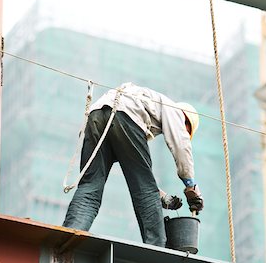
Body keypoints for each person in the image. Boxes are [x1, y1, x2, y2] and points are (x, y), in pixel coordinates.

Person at [63, 82, 204, 247]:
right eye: (187, 130)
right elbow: (181, 145)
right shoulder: (174, 110)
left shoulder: (146, 108)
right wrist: (190, 185)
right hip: (124, 114)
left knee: (90, 187)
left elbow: (136, 169)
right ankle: (156, 248)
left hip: (97, 115)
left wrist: (161, 197)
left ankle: (70, 233)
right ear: (186, 122)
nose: (185, 132)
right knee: (145, 193)